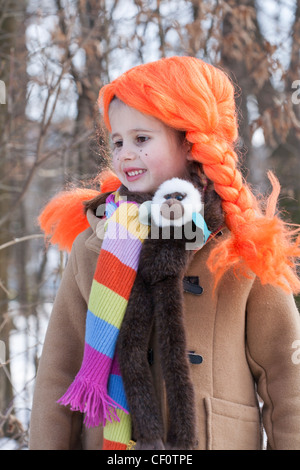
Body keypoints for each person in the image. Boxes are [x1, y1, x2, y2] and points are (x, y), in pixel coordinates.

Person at [29, 56, 300, 450]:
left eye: (142, 139)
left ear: (192, 144)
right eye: (117, 141)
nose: (124, 154)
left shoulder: (239, 245)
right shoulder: (98, 243)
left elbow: (286, 375)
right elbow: (60, 370)